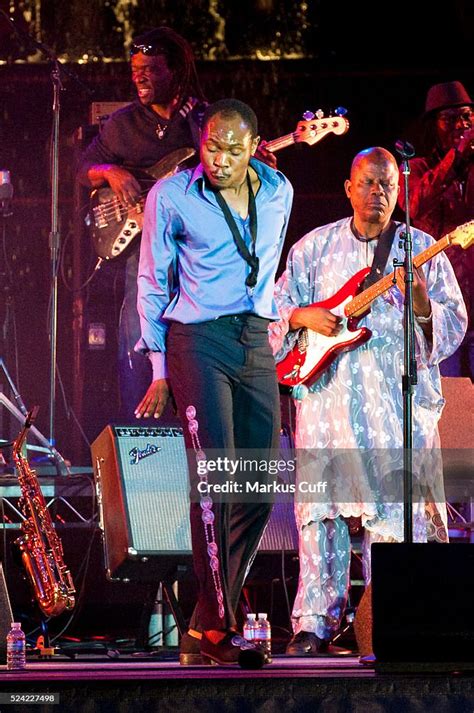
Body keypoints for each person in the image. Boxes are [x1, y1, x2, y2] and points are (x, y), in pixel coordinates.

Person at [269, 147, 467, 656]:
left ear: (398, 193)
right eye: (367, 183)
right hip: (327, 406)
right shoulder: (312, 249)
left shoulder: (422, 249)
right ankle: (314, 623)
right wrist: (302, 318)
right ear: (348, 188)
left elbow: (452, 329)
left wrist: (421, 302)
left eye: (386, 186)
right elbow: (271, 311)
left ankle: (392, 619)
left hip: (393, 412)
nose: (377, 193)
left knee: (396, 520)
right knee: (321, 517)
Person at [134, 98, 293, 665]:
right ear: (199, 143)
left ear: (254, 148)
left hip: (254, 339)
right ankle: (223, 626)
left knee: (258, 483)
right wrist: (158, 368)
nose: (220, 159)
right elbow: (153, 280)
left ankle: (203, 622)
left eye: (233, 149)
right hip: (196, 340)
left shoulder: (279, 192)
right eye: (211, 146)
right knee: (216, 480)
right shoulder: (172, 196)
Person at [77, 26, 207, 421]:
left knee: (193, 347)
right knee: (136, 343)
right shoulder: (122, 124)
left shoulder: (205, 120)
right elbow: (83, 169)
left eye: (150, 68)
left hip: (194, 253)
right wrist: (112, 172)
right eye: (135, 69)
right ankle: (141, 441)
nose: (140, 77)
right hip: (142, 254)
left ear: (175, 71)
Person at [398, 80, 474, 379]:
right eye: (451, 119)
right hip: (442, 308)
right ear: (433, 125)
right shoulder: (416, 168)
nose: (462, 125)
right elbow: (414, 206)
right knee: (451, 403)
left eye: (467, 117)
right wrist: (455, 156)